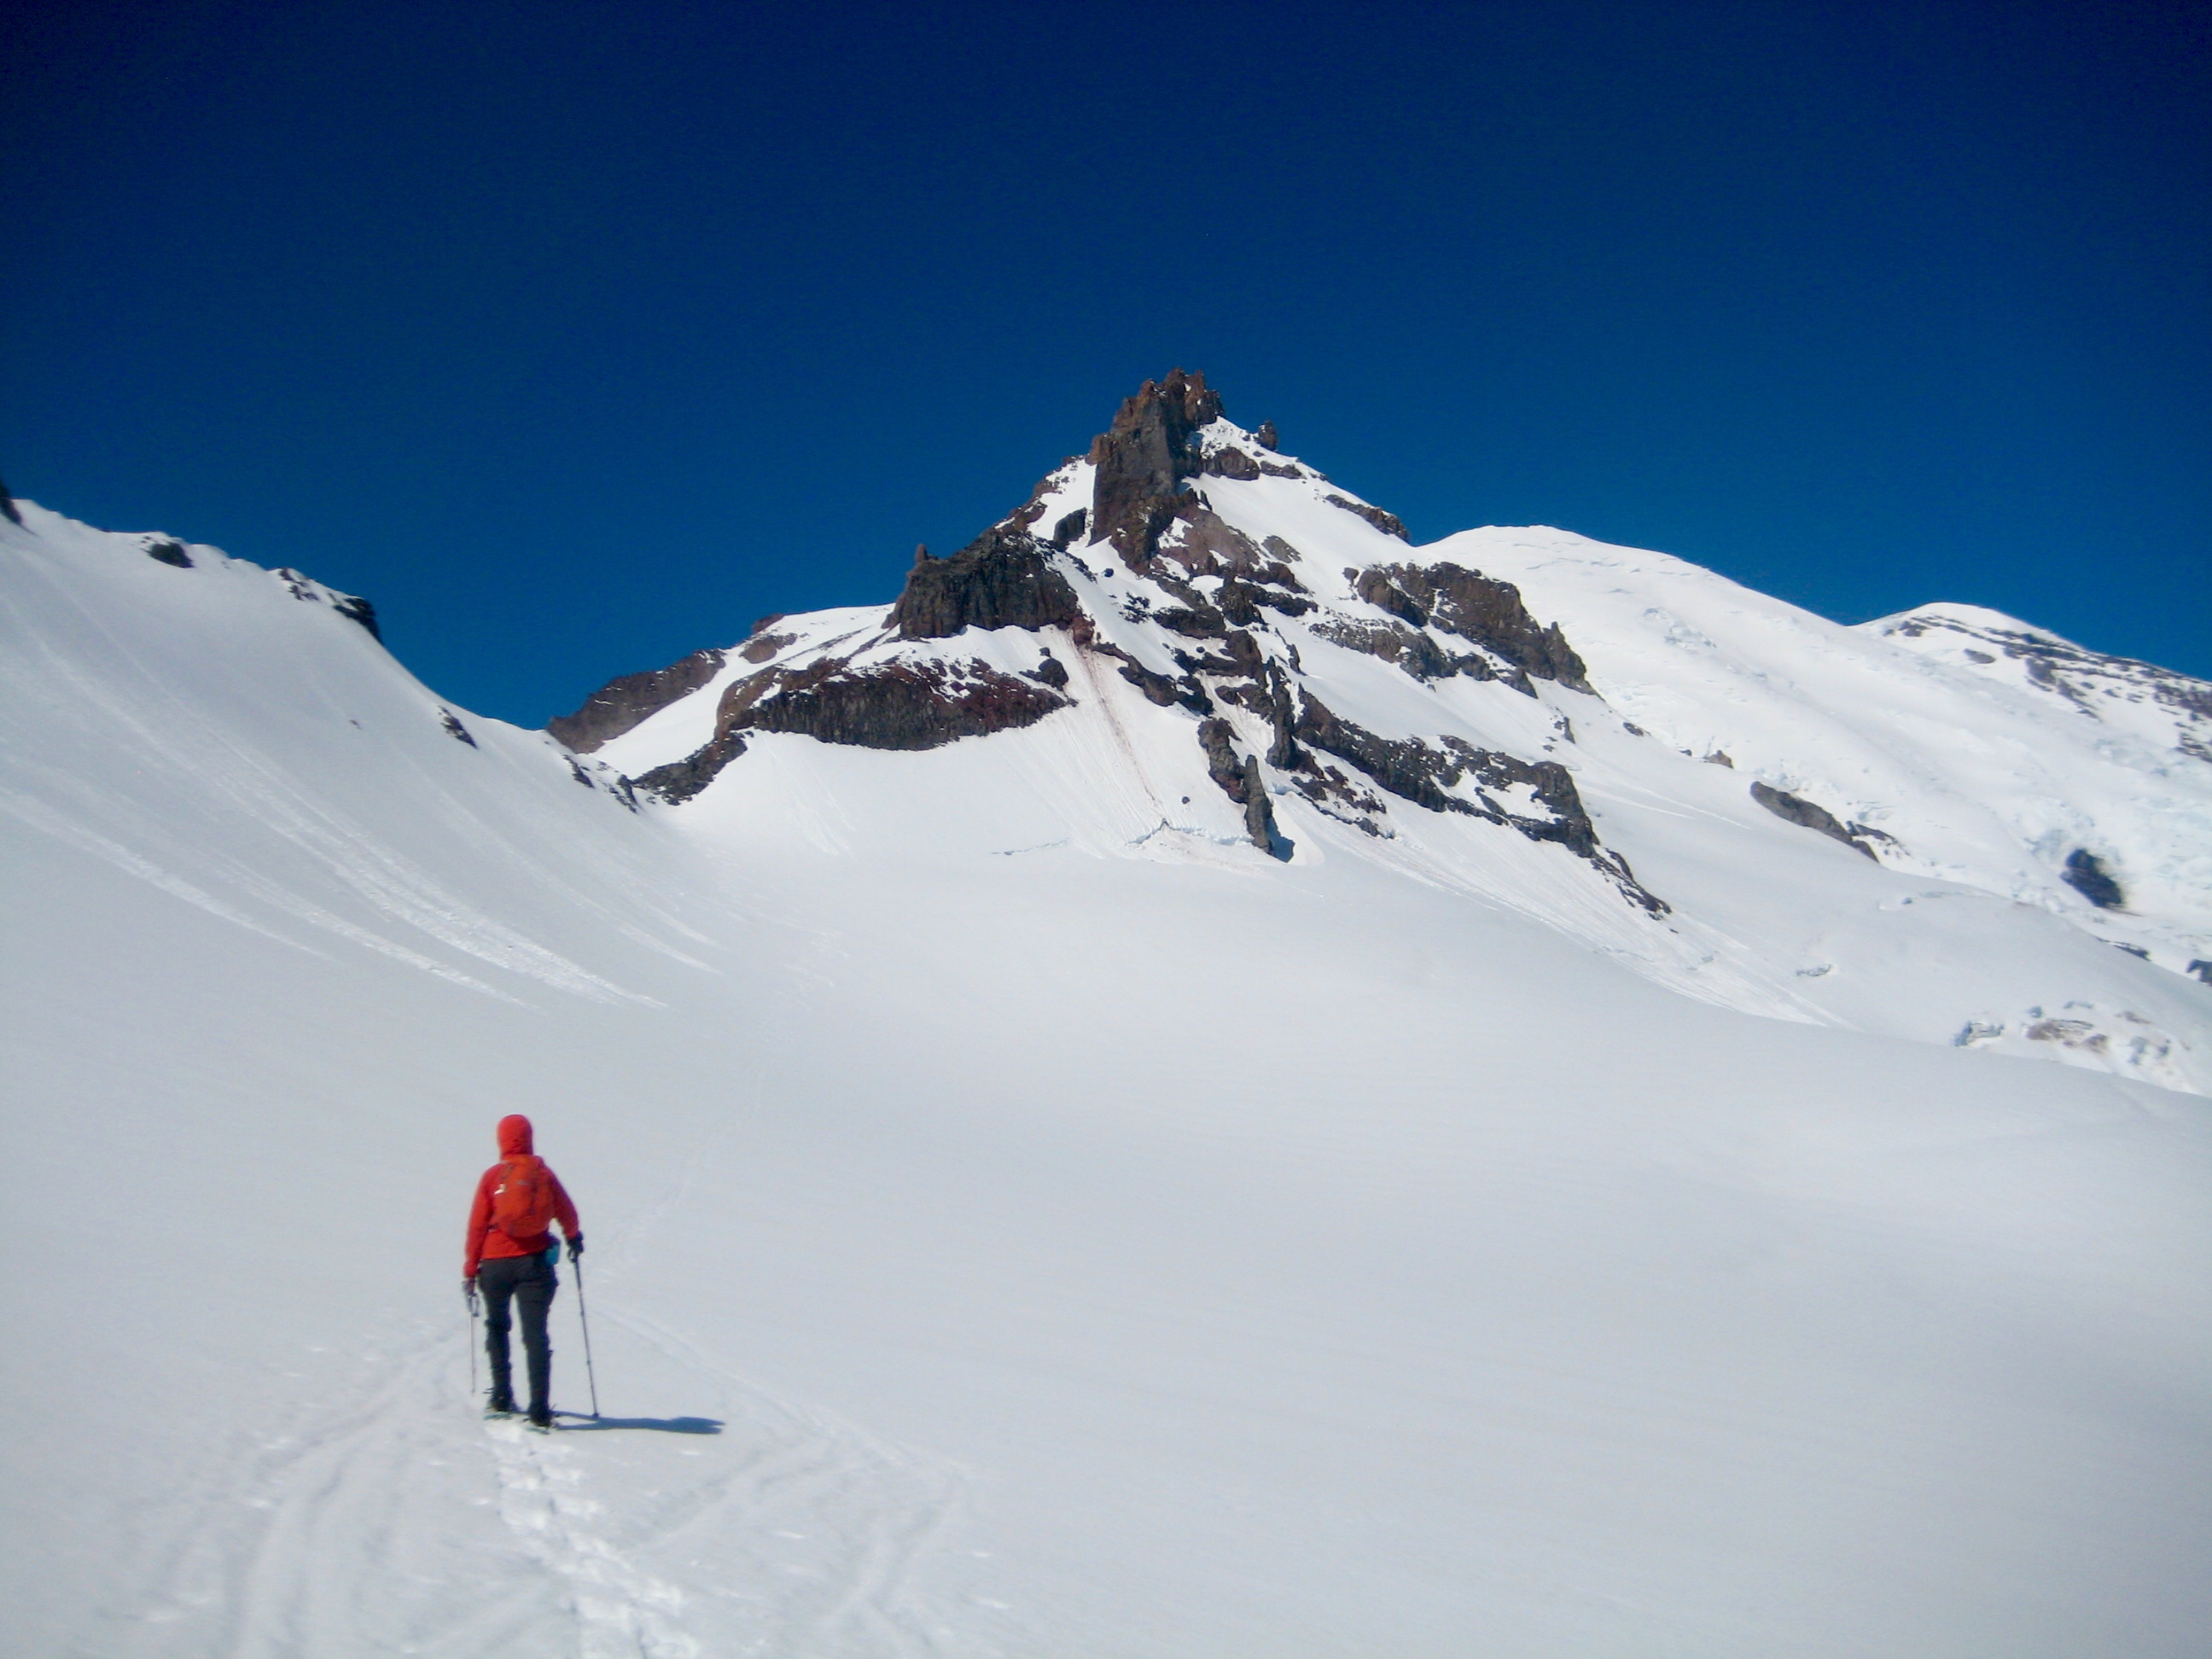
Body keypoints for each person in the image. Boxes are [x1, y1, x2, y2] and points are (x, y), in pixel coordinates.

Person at [463, 1114, 582, 1430]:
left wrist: (470, 1269)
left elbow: (477, 1226)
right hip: (534, 1264)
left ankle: (502, 1397)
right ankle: (540, 1412)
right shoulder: (542, 1174)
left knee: (497, 1326)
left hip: (494, 1265)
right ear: (529, 1138)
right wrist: (574, 1238)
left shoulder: (493, 1177)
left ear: (502, 1140)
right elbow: (567, 1212)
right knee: (536, 1337)